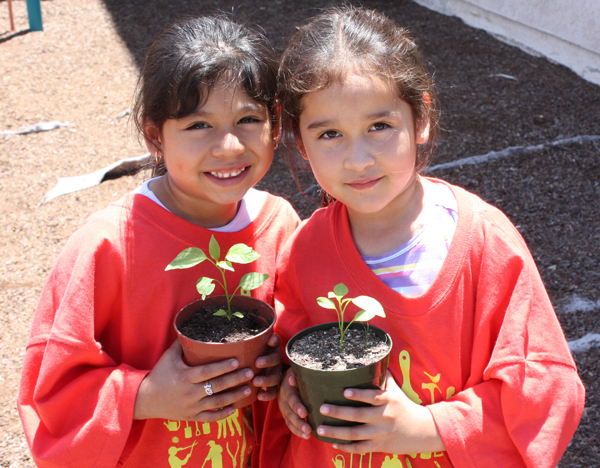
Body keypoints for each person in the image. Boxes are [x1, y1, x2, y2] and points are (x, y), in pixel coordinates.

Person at [261, 6, 585, 468]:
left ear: (420, 118)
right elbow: (291, 347)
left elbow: (546, 391)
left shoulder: (484, 244)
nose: (358, 159)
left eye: (379, 126)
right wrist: (290, 390)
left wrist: (426, 429)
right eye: (330, 133)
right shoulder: (304, 250)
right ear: (299, 140)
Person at [18, 15, 300, 468]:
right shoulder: (109, 245)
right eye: (198, 126)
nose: (229, 146)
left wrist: (278, 369)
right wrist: (145, 395)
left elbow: (295, 333)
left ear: (276, 125)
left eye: (248, 119)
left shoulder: (280, 224)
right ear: (154, 136)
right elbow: (48, 391)